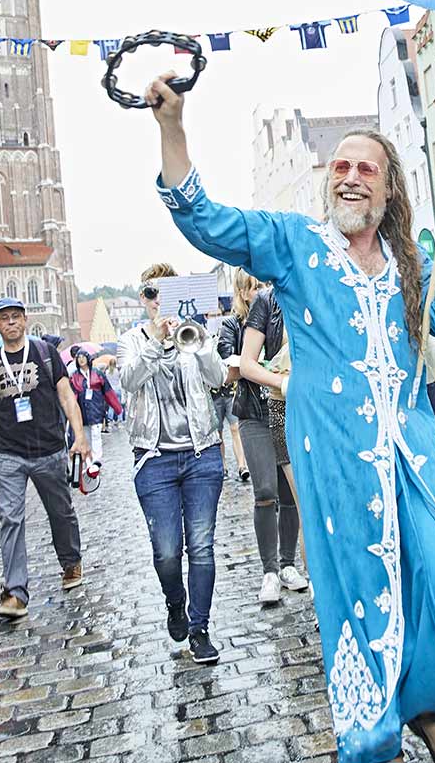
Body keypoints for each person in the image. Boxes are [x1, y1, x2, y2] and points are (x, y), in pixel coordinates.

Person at [146, 67, 435, 763]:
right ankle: (377, 732)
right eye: (341, 165)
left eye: (368, 168)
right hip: (333, 447)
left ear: (389, 188)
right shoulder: (295, 243)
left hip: (413, 442)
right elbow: (206, 221)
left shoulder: (406, 257)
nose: (352, 176)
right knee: (363, 583)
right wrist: (172, 127)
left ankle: (424, 701)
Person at [119, 263, 229, 664]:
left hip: (201, 455)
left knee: (201, 546)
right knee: (167, 551)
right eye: (151, 294)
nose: (157, 301)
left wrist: (197, 342)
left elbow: (219, 378)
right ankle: (175, 601)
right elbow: (128, 381)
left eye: (165, 293)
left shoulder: (198, 335)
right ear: (144, 300)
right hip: (154, 459)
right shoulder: (131, 340)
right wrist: (155, 342)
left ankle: (200, 629)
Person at [0, 298, 89, 618]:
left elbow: (67, 396)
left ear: (24, 320)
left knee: (60, 512)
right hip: (9, 454)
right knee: (10, 518)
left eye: (16, 317)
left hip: (49, 449)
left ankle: (70, 562)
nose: (11, 323)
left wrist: (79, 435)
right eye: (4, 318)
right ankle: (15, 591)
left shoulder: (45, 354)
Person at [220, 272, 307, 608]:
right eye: (251, 285)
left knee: (291, 492)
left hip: (289, 411)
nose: (257, 288)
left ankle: (287, 565)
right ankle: (269, 569)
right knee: (266, 490)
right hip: (255, 410)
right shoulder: (254, 312)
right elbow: (236, 361)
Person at [68, 347, 119, 455]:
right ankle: (89, 460)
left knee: (96, 434)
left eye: (83, 357)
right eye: (79, 358)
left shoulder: (97, 373)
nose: (81, 360)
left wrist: (117, 408)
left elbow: (108, 392)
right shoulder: (74, 376)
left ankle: (96, 459)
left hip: (96, 408)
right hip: (82, 411)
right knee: (86, 436)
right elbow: (72, 396)